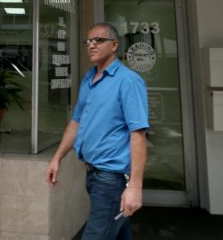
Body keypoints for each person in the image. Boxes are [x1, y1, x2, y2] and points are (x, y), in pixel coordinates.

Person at [46, 22, 150, 240]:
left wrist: (135, 187)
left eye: (98, 40)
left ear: (114, 45)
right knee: (118, 231)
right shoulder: (89, 78)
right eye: (88, 41)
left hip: (111, 178)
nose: (91, 45)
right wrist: (58, 157)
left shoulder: (128, 81)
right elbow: (76, 122)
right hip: (93, 174)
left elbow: (138, 135)